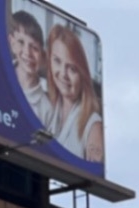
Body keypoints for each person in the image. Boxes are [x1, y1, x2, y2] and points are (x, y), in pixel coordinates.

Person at [45, 23, 99, 159]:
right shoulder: (47, 112)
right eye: (57, 61)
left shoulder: (93, 126)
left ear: (83, 75)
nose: (63, 74)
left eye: (72, 69)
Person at [8, 10, 53, 127]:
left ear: (42, 56)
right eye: (21, 42)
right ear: (12, 42)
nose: (27, 52)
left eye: (34, 48)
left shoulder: (47, 109)